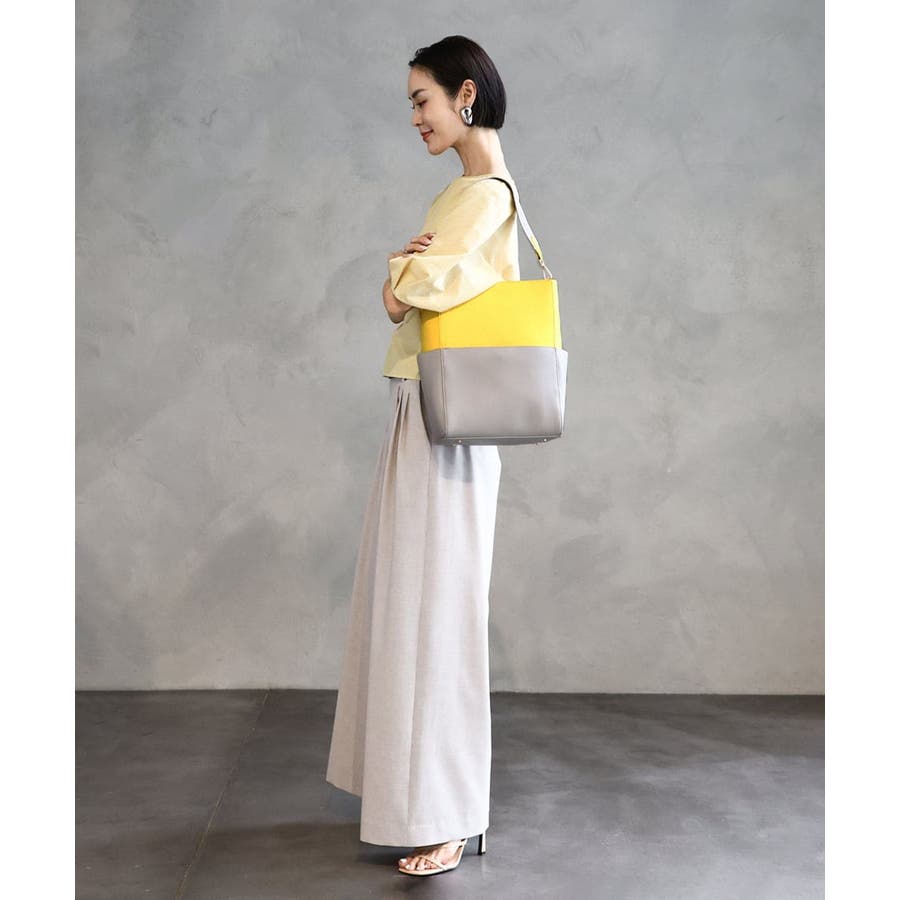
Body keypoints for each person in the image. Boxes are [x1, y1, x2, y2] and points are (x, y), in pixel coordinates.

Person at [324, 35, 520, 877]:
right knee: (419, 603)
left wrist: (397, 275)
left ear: (465, 95)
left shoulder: (481, 195)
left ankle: (452, 812)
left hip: (448, 421)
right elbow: (413, 288)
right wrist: (403, 279)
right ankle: (430, 801)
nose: (414, 117)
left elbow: (413, 288)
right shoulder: (462, 193)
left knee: (437, 611)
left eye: (422, 100)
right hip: (431, 411)